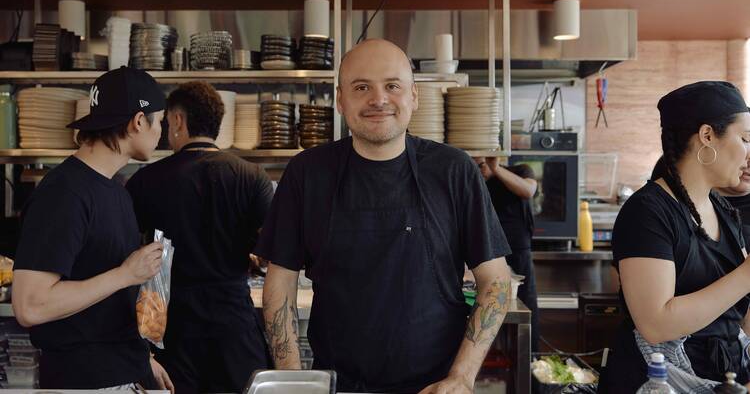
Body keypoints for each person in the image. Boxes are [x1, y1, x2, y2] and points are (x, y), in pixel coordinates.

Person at [255, 39, 514, 394]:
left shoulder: (453, 170)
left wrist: (461, 377)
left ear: (414, 96)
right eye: (362, 87)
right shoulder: (307, 173)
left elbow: (496, 282)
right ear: (341, 100)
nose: (379, 99)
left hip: (434, 386)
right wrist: (295, 381)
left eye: (392, 86)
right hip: (337, 385)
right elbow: (279, 284)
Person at [11, 66, 173, 391]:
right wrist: (126, 274)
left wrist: (142, 359)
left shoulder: (116, 190)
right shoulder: (64, 193)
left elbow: (107, 302)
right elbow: (30, 305)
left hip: (123, 372)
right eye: (160, 121)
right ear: (138, 121)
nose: (162, 133)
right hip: (83, 381)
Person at [600, 81, 750, 393]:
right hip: (655, 384)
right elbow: (656, 324)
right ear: (707, 136)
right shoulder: (647, 212)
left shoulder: (722, 209)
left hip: (725, 380)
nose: (749, 154)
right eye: (746, 139)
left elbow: (738, 313)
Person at [126, 81, 274, 394]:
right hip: (234, 322)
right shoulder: (252, 176)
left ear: (178, 120)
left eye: (167, 122)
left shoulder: (145, 181)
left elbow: (127, 258)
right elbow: (271, 254)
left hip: (172, 326)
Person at [474, 157, 539, 352]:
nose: (481, 167)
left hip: (518, 252)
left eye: (483, 163)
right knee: (487, 307)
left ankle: (529, 362)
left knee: (526, 307)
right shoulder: (470, 175)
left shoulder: (521, 170)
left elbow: (528, 191)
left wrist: (496, 169)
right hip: (486, 252)